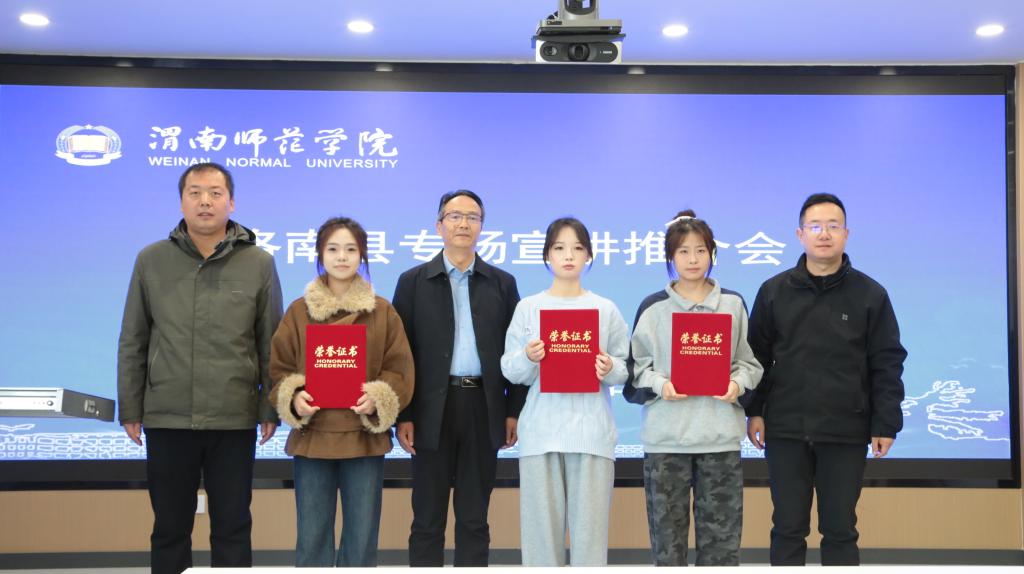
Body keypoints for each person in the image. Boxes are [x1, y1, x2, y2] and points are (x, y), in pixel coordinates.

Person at [117, 162, 283, 574]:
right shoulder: (151, 259)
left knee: (233, 527)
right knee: (169, 528)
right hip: (168, 416)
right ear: (181, 202)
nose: (205, 201)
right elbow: (133, 338)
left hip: (233, 416)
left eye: (215, 193)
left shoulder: (258, 262)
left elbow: (271, 343)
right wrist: (131, 407)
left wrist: (270, 407)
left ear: (231, 202)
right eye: (195, 193)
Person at [744, 193, 907, 566]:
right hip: (785, 429)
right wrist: (755, 411)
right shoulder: (774, 291)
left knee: (840, 529)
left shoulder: (871, 294)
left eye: (833, 226)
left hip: (845, 429)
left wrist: (885, 422)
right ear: (799, 234)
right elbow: (756, 358)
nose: (824, 234)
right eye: (815, 226)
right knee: (787, 528)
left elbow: (887, 361)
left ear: (846, 234)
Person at [268, 217, 414, 567]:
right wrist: (293, 396)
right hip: (313, 437)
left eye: (351, 249)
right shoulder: (298, 311)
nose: (342, 257)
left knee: (361, 539)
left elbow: (399, 368)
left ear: (362, 255)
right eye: (333, 249)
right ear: (320, 254)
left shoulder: (382, 311)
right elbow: (278, 368)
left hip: (363, 438)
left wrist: (379, 396)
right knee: (312, 537)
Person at [392, 190, 527, 566]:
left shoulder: (502, 283)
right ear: (439, 226)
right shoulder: (413, 282)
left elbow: (516, 351)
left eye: (472, 217)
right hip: (430, 410)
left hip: (483, 407)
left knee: (474, 518)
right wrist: (405, 414)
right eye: (455, 216)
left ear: (482, 227)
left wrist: (513, 410)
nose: (464, 224)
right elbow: (400, 355)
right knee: (427, 518)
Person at [624, 210, 763, 566]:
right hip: (666, 442)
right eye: (683, 251)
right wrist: (661, 384)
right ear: (670, 256)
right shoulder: (653, 307)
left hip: (719, 440)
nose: (692, 259)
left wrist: (736, 384)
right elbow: (635, 370)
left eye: (700, 250)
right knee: (667, 549)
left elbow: (750, 363)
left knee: (721, 549)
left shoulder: (732, 304)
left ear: (712, 253)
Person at [500, 217, 630, 566]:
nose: (569, 255)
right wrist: (528, 357)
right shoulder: (529, 308)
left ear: (589, 255)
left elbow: (625, 367)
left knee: (590, 541)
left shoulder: (605, 308)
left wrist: (609, 368)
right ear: (547, 255)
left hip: (591, 434)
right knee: (541, 541)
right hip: (541, 434)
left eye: (577, 248)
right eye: (559, 248)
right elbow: (510, 369)